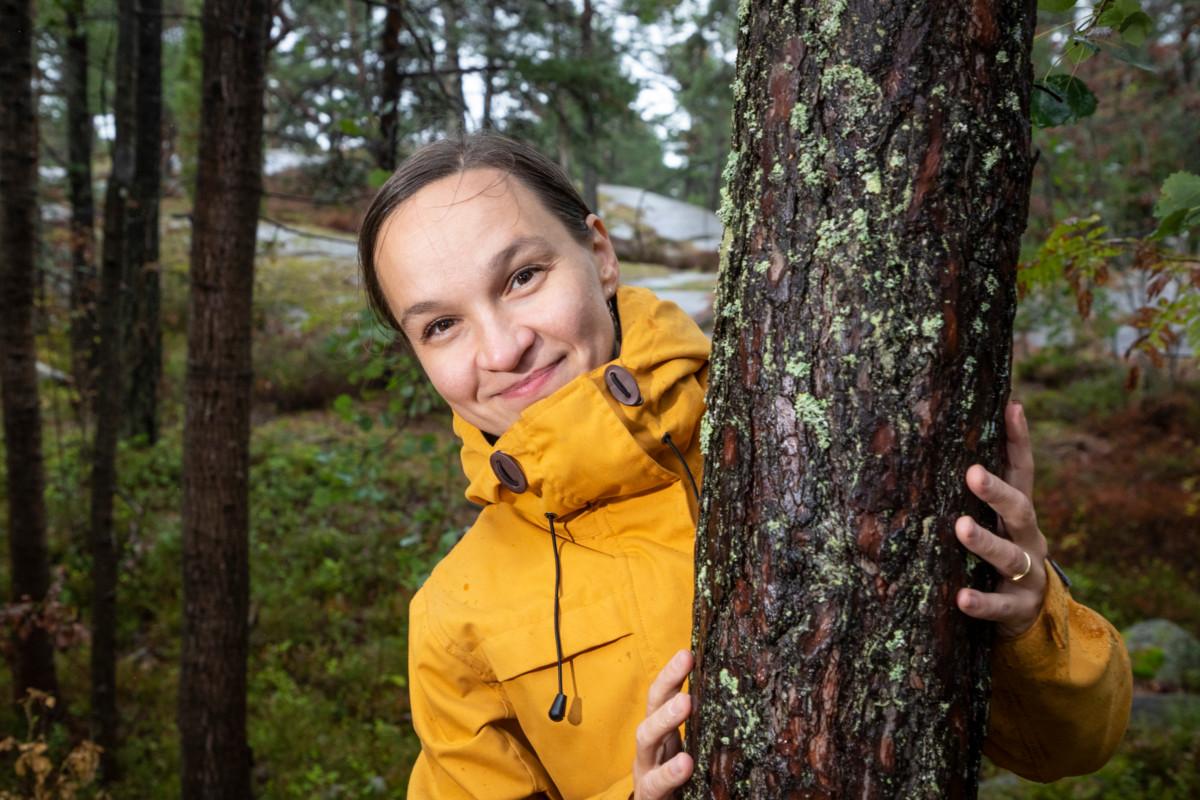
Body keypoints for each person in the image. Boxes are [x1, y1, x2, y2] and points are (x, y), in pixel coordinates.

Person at [356, 132, 1132, 799]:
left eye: (523, 277)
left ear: (599, 254)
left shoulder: (816, 425)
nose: (500, 348)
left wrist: (1029, 609)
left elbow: (1069, 749)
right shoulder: (456, 613)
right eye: (442, 325)